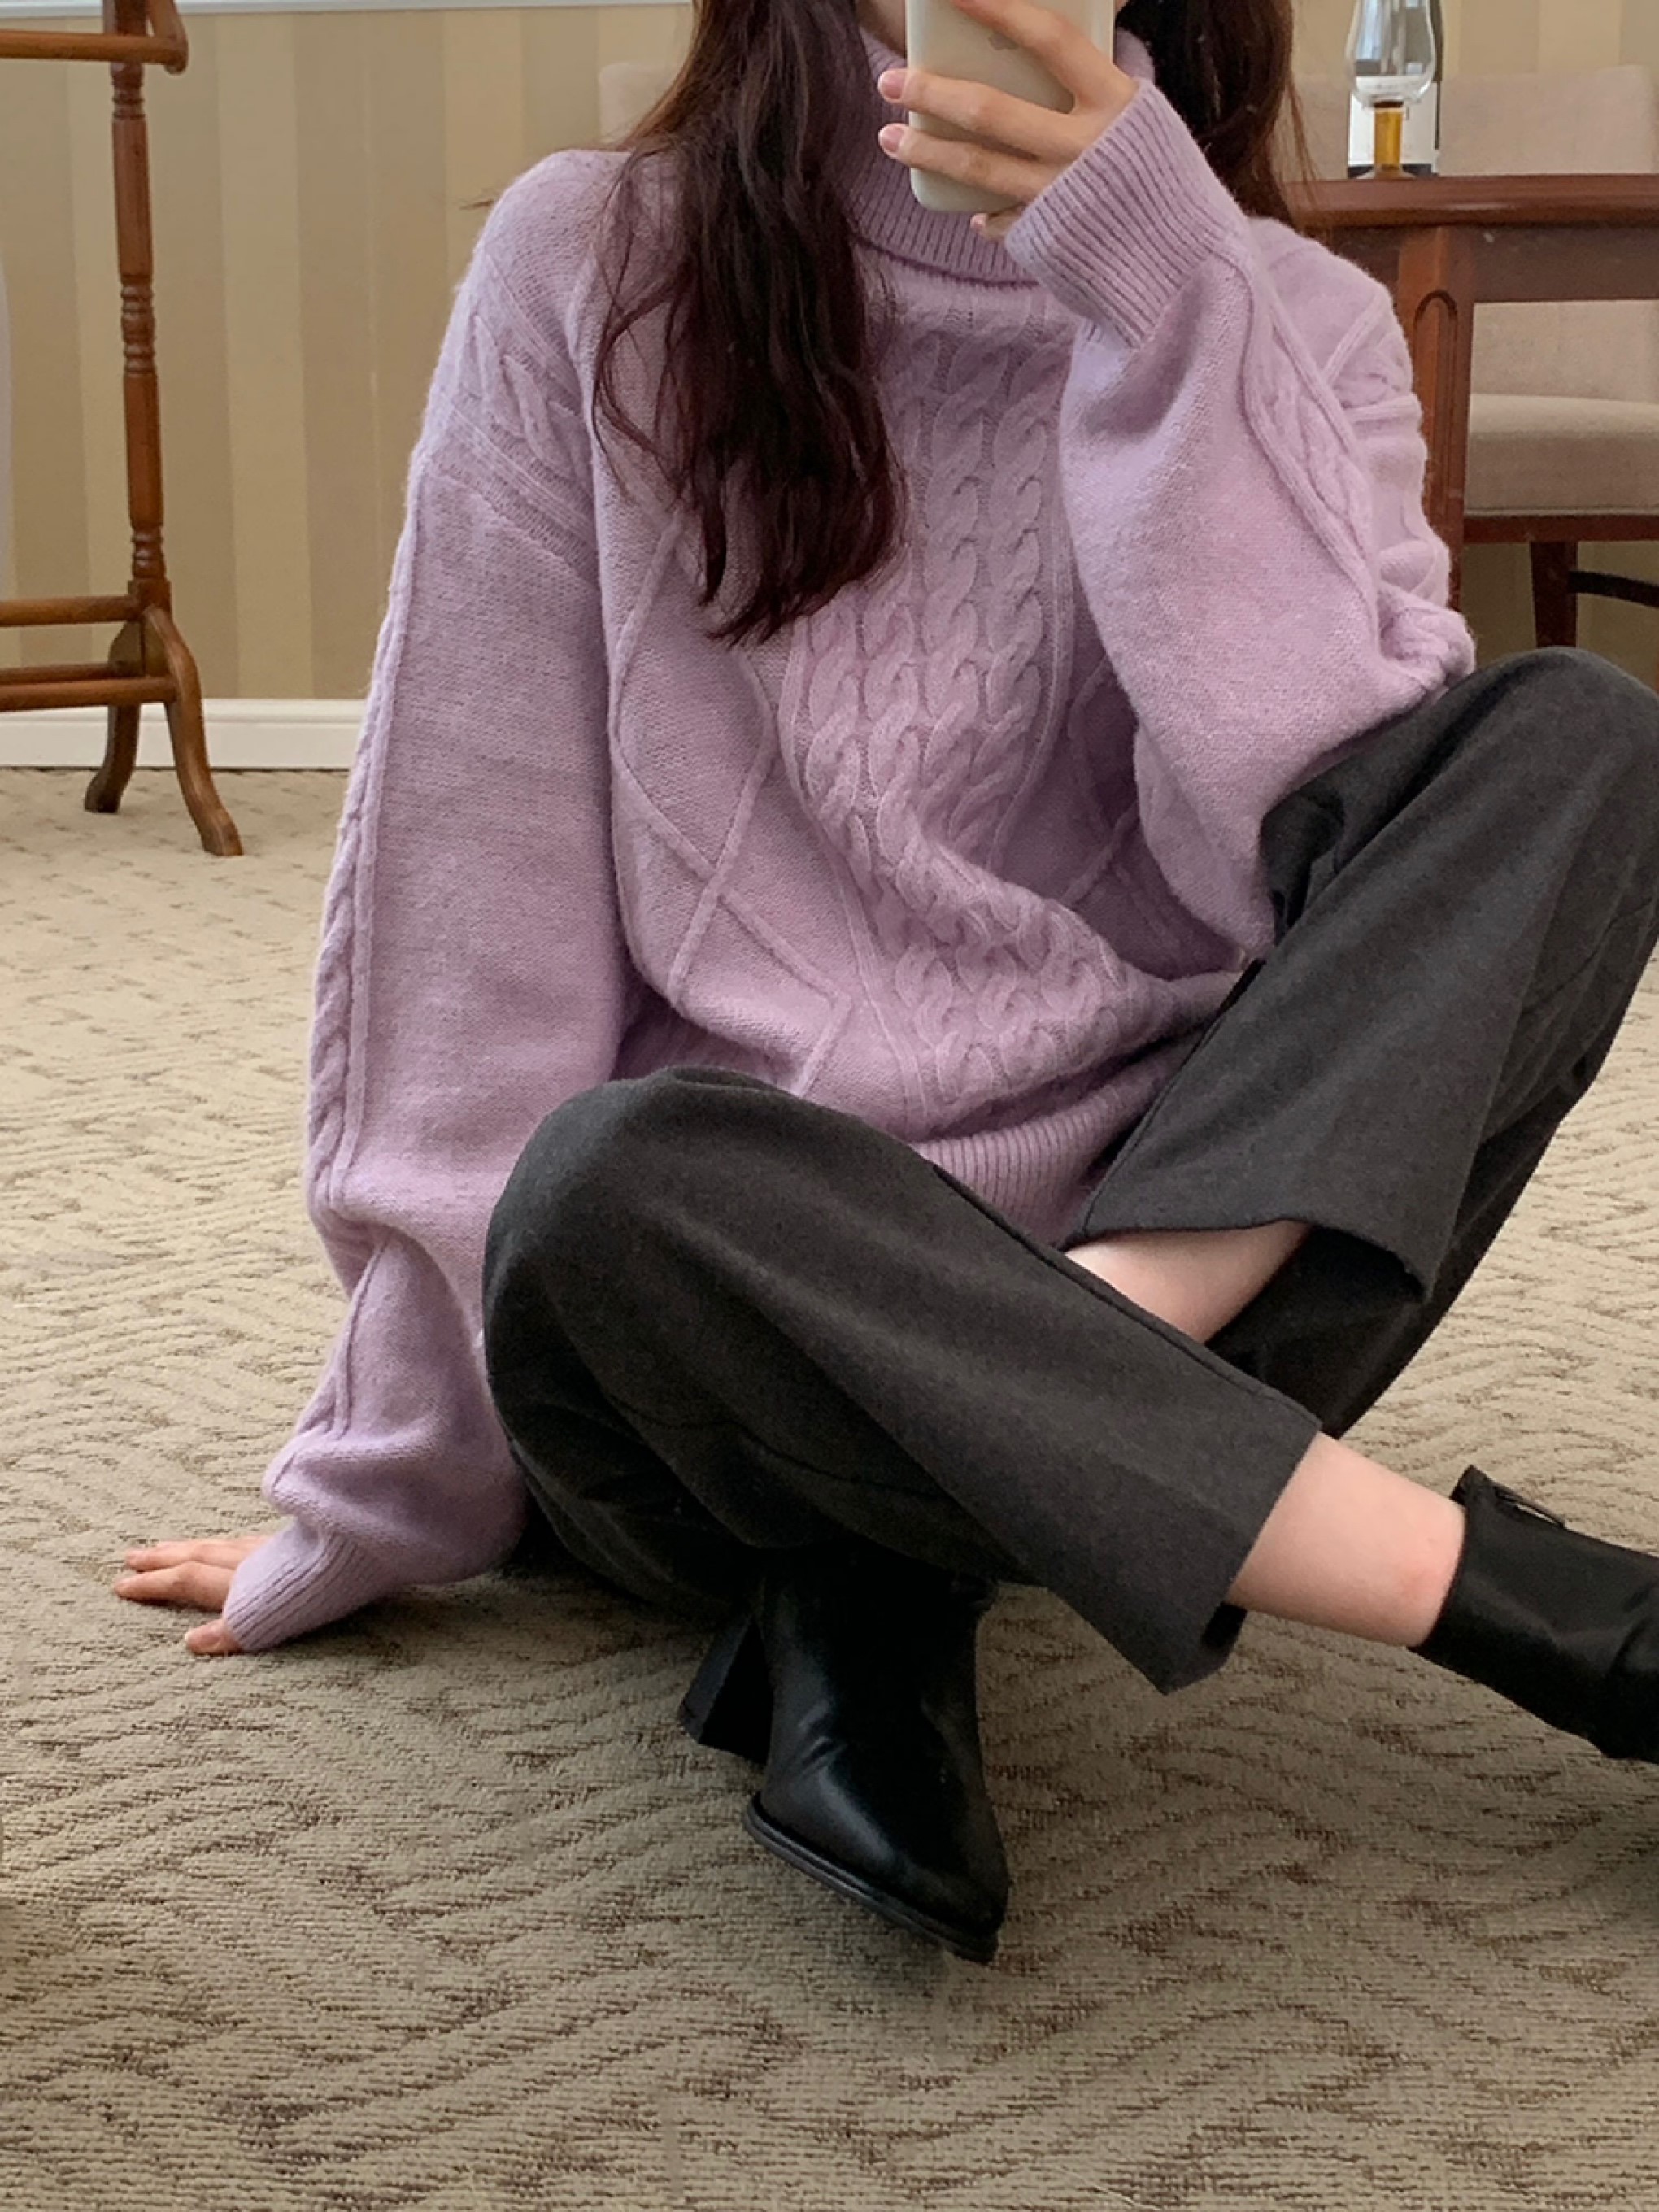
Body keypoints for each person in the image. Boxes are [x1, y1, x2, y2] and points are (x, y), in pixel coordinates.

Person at [115, 0, 1659, 1968]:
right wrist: (393, 1483)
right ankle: (1559, 1615)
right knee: (607, 1178)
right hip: (718, 1316)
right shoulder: (591, 265)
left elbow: (1315, 847)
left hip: (1171, 1238)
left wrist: (1161, 299)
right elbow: (468, 920)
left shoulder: (1287, 317)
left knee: (1580, 744)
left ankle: (929, 1511)